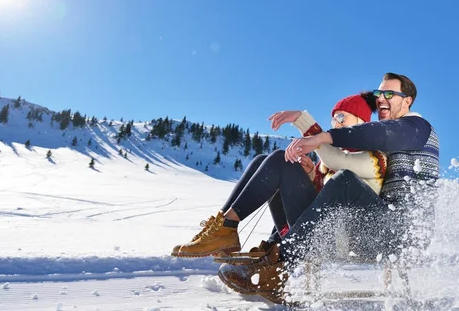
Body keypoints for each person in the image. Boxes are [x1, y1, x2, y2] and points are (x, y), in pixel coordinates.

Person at [218, 72, 440, 304]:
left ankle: (278, 266)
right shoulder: (394, 137)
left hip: (400, 234)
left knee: (345, 180)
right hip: (368, 226)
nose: (381, 99)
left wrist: (321, 137)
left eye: (389, 94)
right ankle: (229, 233)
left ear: (407, 101)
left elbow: (376, 134)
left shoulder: (417, 127)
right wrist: (312, 173)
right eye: (378, 93)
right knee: (282, 163)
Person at [170, 93, 387, 261]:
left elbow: (338, 164)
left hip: (335, 241)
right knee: (262, 160)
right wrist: (311, 175)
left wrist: (303, 121)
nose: (335, 123)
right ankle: (223, 225)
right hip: (312, 228)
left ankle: (227, 227)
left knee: (279, 159)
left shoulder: (373, 158)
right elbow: (324, 197)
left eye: (341, 117)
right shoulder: (328, 161)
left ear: (361, 122)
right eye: (333, 119)